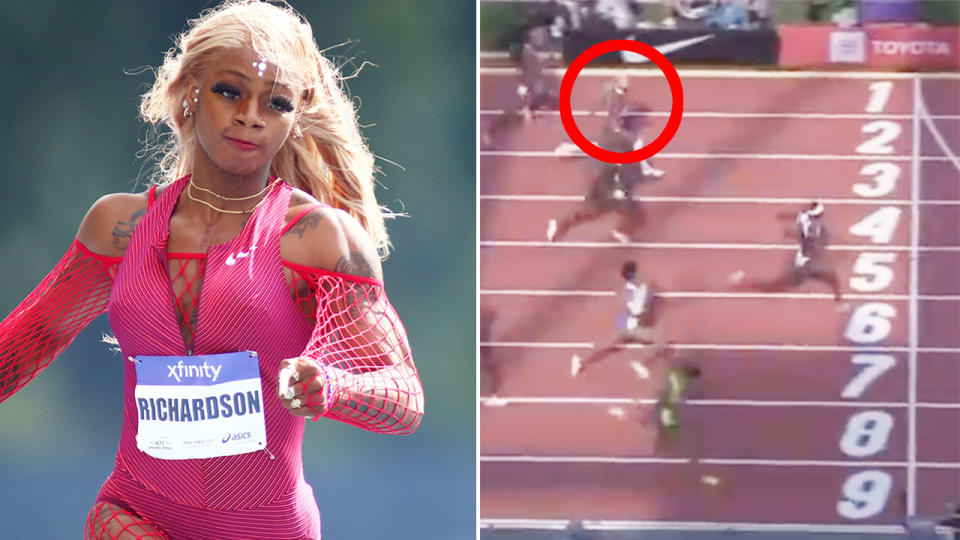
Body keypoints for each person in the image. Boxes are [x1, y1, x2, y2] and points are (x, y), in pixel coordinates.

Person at [0, 2, 423, 539]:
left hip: (269, 528)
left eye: (276, 102)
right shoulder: (117, 227)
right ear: (190, 90)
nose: (251, 115)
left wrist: (332, 387)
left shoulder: (320, 240)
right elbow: (24, 343)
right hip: (134, 514)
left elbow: (405, 398)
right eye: (230, 91)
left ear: (296, 116)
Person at [547, 106, 664, 244]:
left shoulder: (611, 136)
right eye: (641, 121)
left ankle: (562, 226)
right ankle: (622, 231)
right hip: (616, 184)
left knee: (593, 211)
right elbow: (641, 166)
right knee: (636, 214)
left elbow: (593, 146)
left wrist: (570, 150)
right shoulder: (633, 141)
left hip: (602, 180)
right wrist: (651, 175)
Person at [570, 261, 669, 378]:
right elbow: (641, 308)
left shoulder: (629, 287)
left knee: (613, 347)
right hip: (638, 326)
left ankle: (584, 362)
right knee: (663, 346)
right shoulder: (642, 287)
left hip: (628, 324)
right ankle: (644, 363)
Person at [730, 200, 843, 302]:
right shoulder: (820, 228)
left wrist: (790, 232)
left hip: (805, 265)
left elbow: (805, 233)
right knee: (832, 279)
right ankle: (840, 302)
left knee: (777, 287)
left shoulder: (810, 225)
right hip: (812, 265)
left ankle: (743, 284)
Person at [482, 25, 559, 148]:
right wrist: (527, 99)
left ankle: (491, 132)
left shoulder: (530, 52)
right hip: (528, 88)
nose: (543, 39)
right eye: (540, 36)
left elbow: (532, 69)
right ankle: (489, 133)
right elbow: (525, 72)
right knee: (513, 115)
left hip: (532, 87)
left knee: (542, 104)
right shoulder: (527, 53)